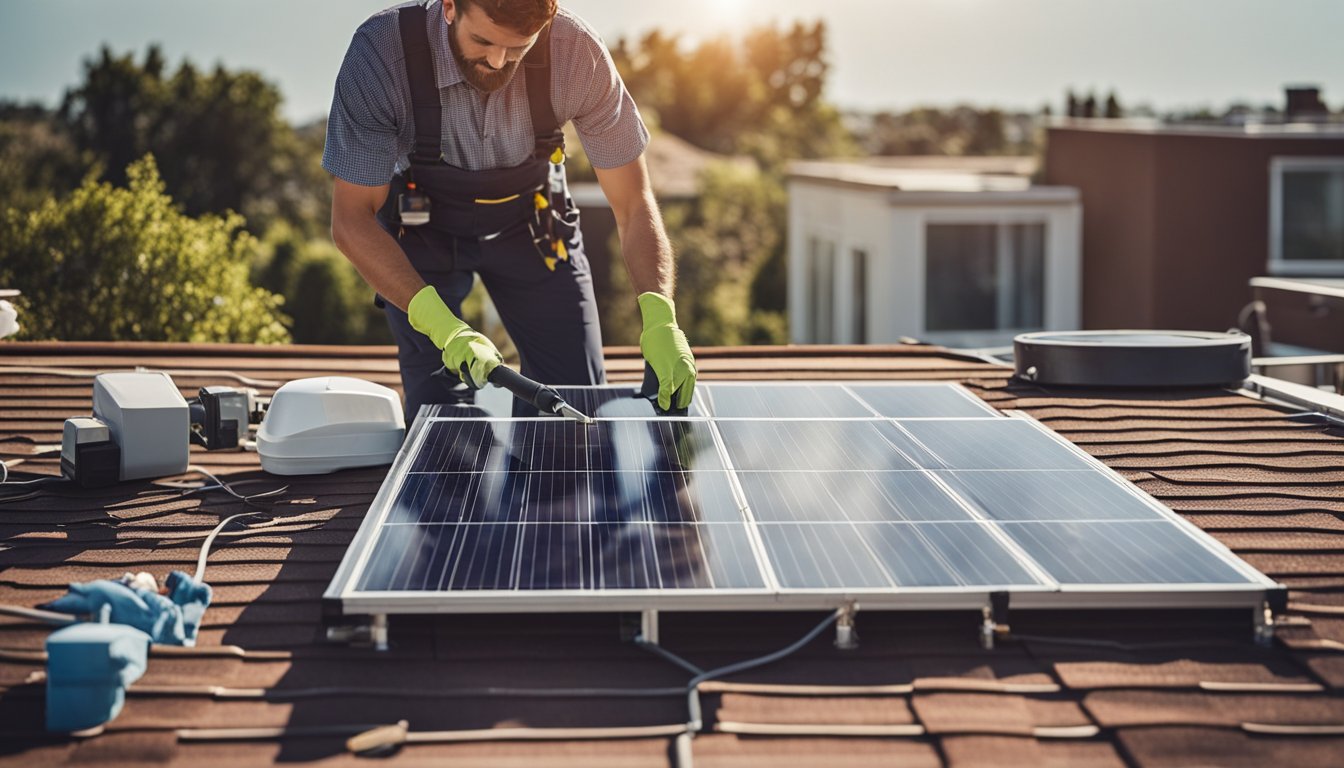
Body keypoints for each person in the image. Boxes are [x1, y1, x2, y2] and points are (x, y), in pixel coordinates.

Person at [323, 0, 696, 418]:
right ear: (450, 6)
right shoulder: (382, 54)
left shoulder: (577, 54)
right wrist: (444, 330)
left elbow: (632, 204)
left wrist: (661, 317)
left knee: (572, 412)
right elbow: (351, 220)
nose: (498, 61)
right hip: (422, 231)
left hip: (533, 227)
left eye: (518, 48)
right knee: (440, 425)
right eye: (482, 40)